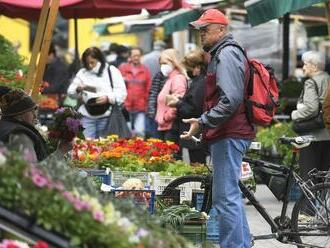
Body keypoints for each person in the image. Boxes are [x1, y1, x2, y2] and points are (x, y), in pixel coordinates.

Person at [181, 9, 255, 248]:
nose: (201, 33)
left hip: (229, 133)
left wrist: (203, 121)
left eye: (205, 29)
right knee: (229, 197)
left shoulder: (226, 54)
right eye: (200, 29)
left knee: (226, 199)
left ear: (221, 29)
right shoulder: (221, 53)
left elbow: (230, 100)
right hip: (228, 132)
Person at [67, 47, 127, 139]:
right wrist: (78, 89)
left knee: (106, 146)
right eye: (87, 63)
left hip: (107, 116)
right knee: (85, 146)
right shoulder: (82, 72)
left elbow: (122, 93)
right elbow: (71, 93)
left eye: (92, 62)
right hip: (87, 115)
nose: (90, 66)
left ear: (99, 60)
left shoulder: (111, 70)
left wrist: (108, 98)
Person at [0, 86, 70, 163]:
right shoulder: (21, 136)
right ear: (20, 114)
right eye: (32, 111)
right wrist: (61, 151)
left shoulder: (6, 125)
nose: (35, 115)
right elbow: (32, 173)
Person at [291, 51, 330, 180]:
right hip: (327, 135)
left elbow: (311, 109)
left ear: (314, 66)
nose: (303, 68)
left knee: (309, 178)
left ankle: (309, 201)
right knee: (323, 178)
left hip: (312, 137)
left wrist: (295, 114)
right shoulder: (328, 78)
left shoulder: (311, 83)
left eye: (305, 64)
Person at [167, 48, 208, 164]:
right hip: (194, 130)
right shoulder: (199, 82)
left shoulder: (200, 83)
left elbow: (194, 107)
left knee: (197, 163)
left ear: (196, 67)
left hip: (195, 129)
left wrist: (178, 103)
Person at [155, 48, 187, 147]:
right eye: (161, 64)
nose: (162, 66)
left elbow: (178, 102)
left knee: (171, 157)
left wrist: (166, 117)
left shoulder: (177, 79)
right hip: (164, 126)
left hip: (171, 127)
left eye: (165, 63)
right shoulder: (170, 79)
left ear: (174, 62)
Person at [119, 47, 151, 137]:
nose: (136, 58)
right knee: (126, 133)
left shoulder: (145, 70)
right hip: (125, 106)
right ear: (130, 57)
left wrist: (146, 102)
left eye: (138, 55)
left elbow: (148, 88)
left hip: (141, 106)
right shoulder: (123, 69)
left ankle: (138, 150)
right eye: (134, 55)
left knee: (140, 131)